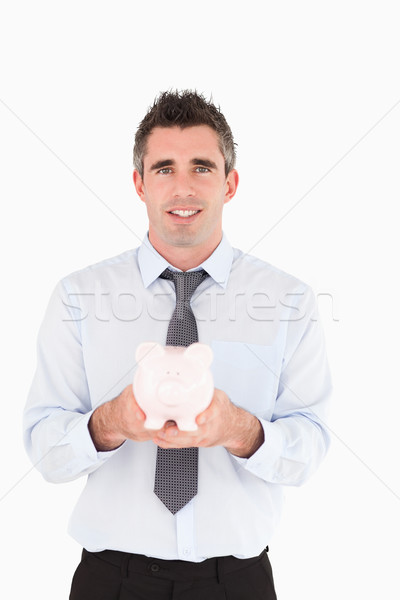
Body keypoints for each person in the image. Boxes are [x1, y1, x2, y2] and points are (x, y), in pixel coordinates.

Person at [23, 90, 331, 599]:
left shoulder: (288, 300)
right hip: (111, 581)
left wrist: (241, 431)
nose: (182, 187)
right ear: (140, 184)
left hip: (236, 582)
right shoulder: (79, 296)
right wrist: (108, 425)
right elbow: (44, 449)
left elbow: (311, 446)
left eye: (202, 167)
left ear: (230, 184)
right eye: (164, 168)